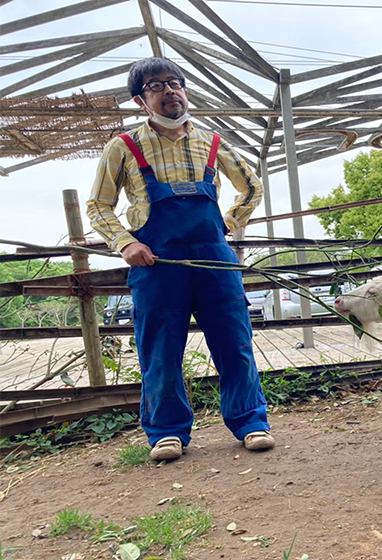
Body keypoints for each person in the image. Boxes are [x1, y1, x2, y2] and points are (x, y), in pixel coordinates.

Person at [87, 57, 274, 461]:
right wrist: (124, 243)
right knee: (160, 348)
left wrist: (227, 224)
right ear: (142, 100)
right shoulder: (124, 147)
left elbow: (252, 188)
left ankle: (251, 422)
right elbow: (99, 205)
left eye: (175, 83)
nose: (170, 91)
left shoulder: (213, 142)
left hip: (214, 262)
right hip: (157, 263)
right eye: (157, 86)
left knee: (235, 341)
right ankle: (166, 432)